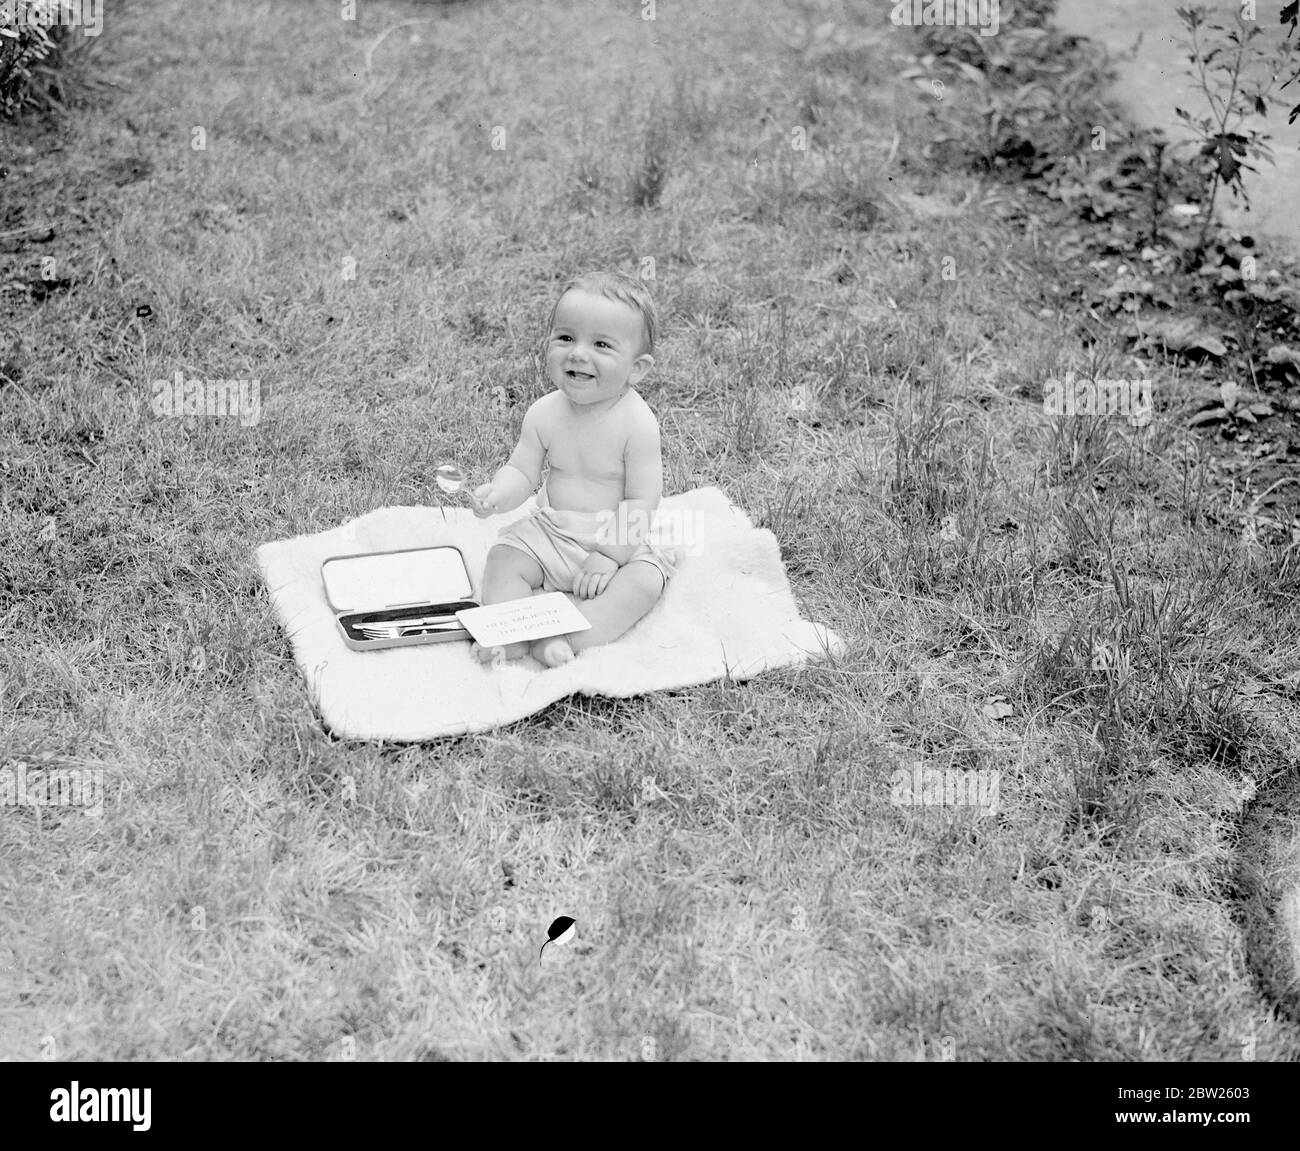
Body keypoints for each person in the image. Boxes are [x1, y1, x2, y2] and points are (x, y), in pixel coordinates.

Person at [469, 271, 676, 667]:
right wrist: (498, 494)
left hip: (617, 536)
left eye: (601, 344)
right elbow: (523, 471)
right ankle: (512, 632)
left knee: (644, 583)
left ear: (637, 368)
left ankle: (566, 636)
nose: (578, 353)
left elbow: (642, 498)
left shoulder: (637, 423)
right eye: (566, 338)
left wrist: (611, 556)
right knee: (503, 558)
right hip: (553, 530)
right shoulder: (544, 413)